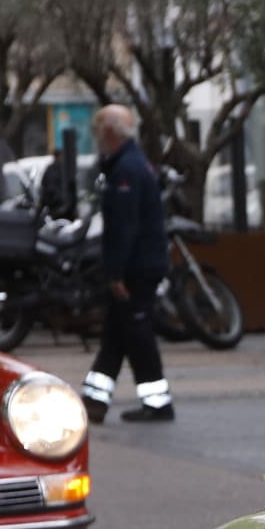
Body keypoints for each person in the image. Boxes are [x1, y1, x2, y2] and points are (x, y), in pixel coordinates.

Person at [81, 104, 174, 423]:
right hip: (139, 265)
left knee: (136, 333)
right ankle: (94, 401)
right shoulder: (131, 164)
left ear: (109, 132)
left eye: (98, 132)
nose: (97, 139)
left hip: (136, 269)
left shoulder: (126, 171)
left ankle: (158, 403)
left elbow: (125, 227)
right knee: (117, 333)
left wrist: (116, 273)